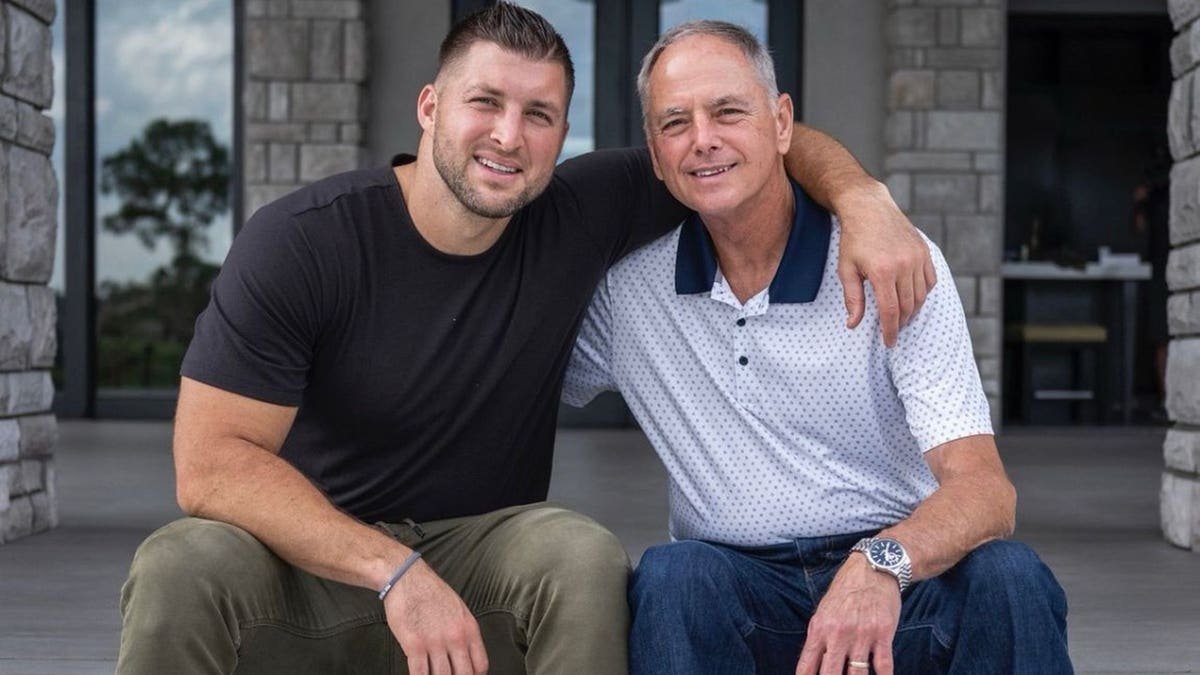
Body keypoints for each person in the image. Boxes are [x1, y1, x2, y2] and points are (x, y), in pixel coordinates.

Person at [116, 5, 934, 675]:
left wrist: (864, 200)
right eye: (486, 103)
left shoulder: (581, 212)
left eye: (538, 114)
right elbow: (212, 464)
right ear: (430, 106)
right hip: (311, 560)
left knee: (578, 554)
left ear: (562, 134)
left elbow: (762, 145)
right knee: (178, 563)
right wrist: (392, 571)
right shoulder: (305, 241)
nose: (509, 135)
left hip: (483, 560)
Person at [564, 21, 1072, 675]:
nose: (703, 140)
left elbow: (986, 491)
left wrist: (882, 561)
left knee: (1010, 576)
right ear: (657, 157)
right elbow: (513, 373)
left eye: (727, 111)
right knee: (673, 576)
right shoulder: (630, 292)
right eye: (675, 123)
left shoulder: (891, 263)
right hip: (742, 601)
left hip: (900, 587)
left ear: (782, 125)